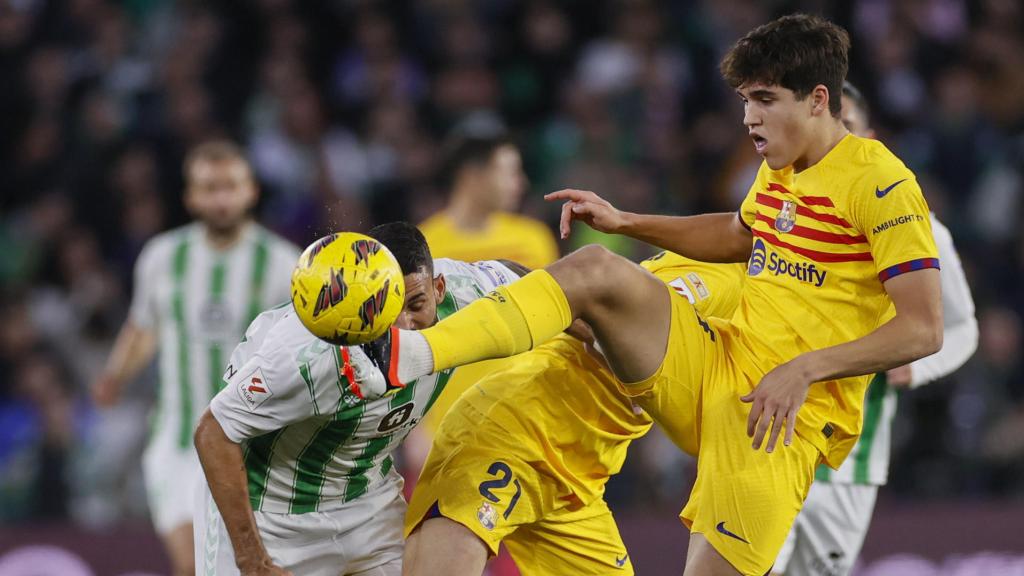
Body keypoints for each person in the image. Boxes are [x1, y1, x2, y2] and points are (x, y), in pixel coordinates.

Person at [367, 14, 944, 576]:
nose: (748, 118)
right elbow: (740, 233)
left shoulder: (881, 184)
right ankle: (421, 351)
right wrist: (627, 222)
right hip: (715, 364)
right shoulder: (782, 169)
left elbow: (924, 329)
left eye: (764, 100)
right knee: (595, 268)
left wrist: (806, 369)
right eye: (744, 100)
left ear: (818, 99)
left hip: (775, 419)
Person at [192, 223, 526, 576]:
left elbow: (537, 284)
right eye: (391, 308)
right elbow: (213, 432)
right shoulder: (307, 353)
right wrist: (251, 560)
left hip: (369, 505)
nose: (405, 326)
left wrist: (587, 336)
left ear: (438, 288)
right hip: (272, 517)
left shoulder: (463, 292)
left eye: (416, 304)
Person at [404, 251, 745, 575]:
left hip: (579, 478)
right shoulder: (721, 280)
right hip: (513, 435)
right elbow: (595, 300)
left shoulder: (767, 308)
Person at [770, 83, 979, 576]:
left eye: (844, 132)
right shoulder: (773, 210)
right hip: (770, 437)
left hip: (852, 460)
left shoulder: (914, 223)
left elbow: (963, 326)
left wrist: (920, 366)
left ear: (868, 138)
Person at [92, 140, 299, 576]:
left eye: (230, 186)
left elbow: (298, 349)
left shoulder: (282, 263)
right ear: (191, 197)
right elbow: (144, 327)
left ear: (251, 192)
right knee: (191, 566)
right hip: (177, 439)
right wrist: (114, 375)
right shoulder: (163, 257)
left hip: (251, 443)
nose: (221, 198)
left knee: (241, 567)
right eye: (210, 188)